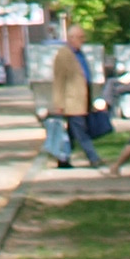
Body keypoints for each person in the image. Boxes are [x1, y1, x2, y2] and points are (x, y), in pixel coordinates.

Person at [45, 23, 100, 171]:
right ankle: (93, 158)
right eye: (81, 37)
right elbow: (59, 80)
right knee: (81, 131)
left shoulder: (79, 53)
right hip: (72, 102)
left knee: (71, 133)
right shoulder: (64, 55)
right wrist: (59, 103)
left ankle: (63, 159)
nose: (83, 40)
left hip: (83, 100)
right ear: (71, 38)